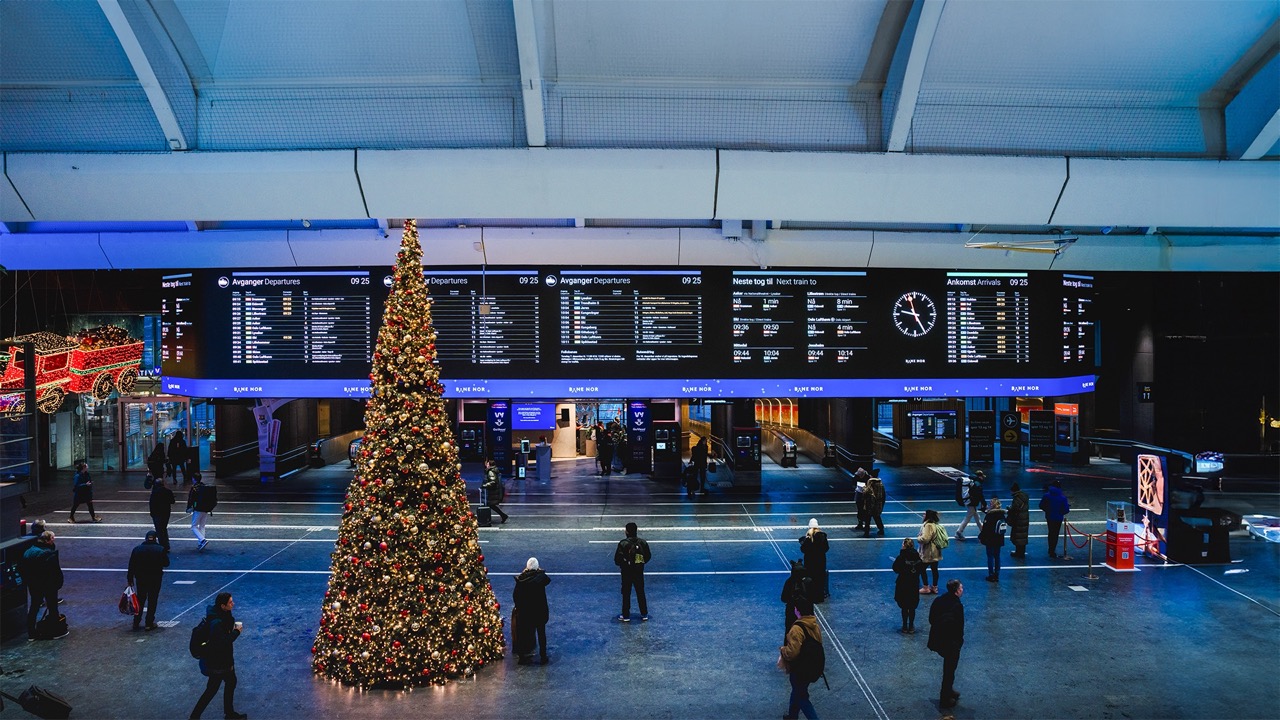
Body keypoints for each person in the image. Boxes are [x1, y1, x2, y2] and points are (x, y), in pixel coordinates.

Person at [189, 592, 246, 720]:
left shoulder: (219, 615)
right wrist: (236, 632)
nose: (233, 604)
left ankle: (228, 713)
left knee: (226, 683)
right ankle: (197, 716)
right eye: (230, 602)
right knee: (213, 689)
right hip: (219, 662)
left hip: (220, 660)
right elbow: (222, 642)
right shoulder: (217, 623)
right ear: (223, 606)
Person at [779, 594, 822, 720]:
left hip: (800, 668)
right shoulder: (814, 625)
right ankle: (792, 716)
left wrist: (783, 650)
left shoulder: (797, 629)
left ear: (797, 610)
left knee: (802, 696)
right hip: (812, 666)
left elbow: (792, 653)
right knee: (798, 691)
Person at [20, 530, 66, 640]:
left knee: (34, 607)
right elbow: (55, 571)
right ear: (48, 540)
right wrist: (57, 584)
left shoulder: (28, 552)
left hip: (34, 584)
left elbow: (22, 568)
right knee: (52, 607)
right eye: (52, 539)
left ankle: (31, 633)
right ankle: (55, 631)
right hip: (48, 585)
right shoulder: (49, 554)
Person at [927, 579, 965, 710]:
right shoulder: (957, 606)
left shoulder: (939, 600)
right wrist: (959, 642)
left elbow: (931, 618)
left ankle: (949, 690)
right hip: (951, 642)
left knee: (948, 669)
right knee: (949, 670)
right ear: (957, 591)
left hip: (938, 639)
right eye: (961, 588)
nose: (962, 590)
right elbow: (960, 627)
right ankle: (945, 698)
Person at [127, 530, 170, 630]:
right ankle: (149, 622)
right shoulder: (160, 549)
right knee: (152, 599)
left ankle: (136, 621)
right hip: (155, 578)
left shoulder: (137, 549)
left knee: (140, 599)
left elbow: (131, 565)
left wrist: (130, 579)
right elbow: (166, 563)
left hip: (141, 578)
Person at [512, 557, 551, 665]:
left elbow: (515, 596)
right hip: (539, 612)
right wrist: (540, 570)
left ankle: (522, 657)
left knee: (522, 635)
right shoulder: (540, 579)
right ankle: (543, 656)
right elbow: (547, 579)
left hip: (525, 613)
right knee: (541, 634)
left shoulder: (521, 580)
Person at [613, 522, 651, 621]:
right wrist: (640, 564)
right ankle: (644, 613)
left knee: (626, 593)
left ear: (627, 531)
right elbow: (648, 556)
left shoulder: (623, 543)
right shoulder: (642, 542)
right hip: (638, 572)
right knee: (640, 592)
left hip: (626, 572)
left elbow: (617, 559)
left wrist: (624, 565)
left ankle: (626, 615)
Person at [892, 538, 922, 633]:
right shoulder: (917, 557)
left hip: (903, 583)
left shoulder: (901, 557)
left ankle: (904, 626)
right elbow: (921, 569)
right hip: (914, 583)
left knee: (904, 606)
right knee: (912, 606)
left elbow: (895, 568)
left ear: (904, 545)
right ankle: (911, 626)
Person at [780, 559, 813, 636]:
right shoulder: (809, 581)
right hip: (807, 613)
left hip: (792, 612)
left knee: (790, 633)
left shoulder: (789, 582)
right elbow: (814, 597)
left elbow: (783, 598)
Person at [799, 519, 829, 602]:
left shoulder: (809, 537)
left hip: (810, 561)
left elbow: (804, 549)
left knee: (811, 578)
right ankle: (819, 597)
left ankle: (811, 596)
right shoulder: (823, 536)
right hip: (821, 561)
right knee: (820, 579)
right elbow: (826, 548)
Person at [916, 509, 945, 594]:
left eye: (924, 514)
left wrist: (919, 538)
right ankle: (935, 587)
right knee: (934, 570)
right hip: (935, 551)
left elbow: (925, 539)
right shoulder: (935, 524)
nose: (923, 515)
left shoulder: (928, 525)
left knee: (921, 569)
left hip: (929, 552)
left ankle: (926, 587)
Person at [978, 498, 1007, 582]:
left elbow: (985, 528)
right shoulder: (1002, 514)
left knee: (990, 556)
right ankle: (997, 574)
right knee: (997, 556)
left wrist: (981, 537)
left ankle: (991, 574)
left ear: (992, 505)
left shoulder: (990, 515)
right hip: (999, 538)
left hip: (990, 539)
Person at [186, 473, 218, 551]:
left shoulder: (194, 488)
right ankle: (201, 542)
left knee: (194, 526)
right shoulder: (204, 486)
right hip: (206, 508)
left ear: (194, 479)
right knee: (202, 526)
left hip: (198, 509)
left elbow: (191, 499)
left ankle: (202, 540)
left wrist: (189, 508)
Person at [1040, 479, 1071, 558]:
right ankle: (1052, 550)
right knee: (1055, 534)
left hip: (1049, 516)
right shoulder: (1062, 497)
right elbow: (1066, 510)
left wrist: (1047, 510)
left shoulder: (1047, 495)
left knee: (1051, 532)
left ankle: (1050, 549)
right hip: (1058, 518)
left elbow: (1041, 505)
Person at [954, 471, 985, 539]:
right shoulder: (977, 484)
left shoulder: (972, 481)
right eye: (982, 476)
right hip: (971, 502)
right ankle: (959, 532)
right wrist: (984, 504)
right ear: (980, 476)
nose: (983, 478)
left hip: (969, 501)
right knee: (968, 517)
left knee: (977, 516)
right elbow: (980, 495)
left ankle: (983, 531)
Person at [150, 475, 176, 551]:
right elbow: (172, 501)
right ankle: (166, 545)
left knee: (159, 530)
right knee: (164, 528)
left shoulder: (154, 493)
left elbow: (151, 504)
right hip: (166, 513)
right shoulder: (168, 491)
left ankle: (162, 545)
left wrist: (152, 513)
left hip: (157, 513)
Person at [1007, 482, 1031, 559]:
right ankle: (1022, 552)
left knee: (1018, 536)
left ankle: (1018, 552)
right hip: (1024, 518)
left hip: (1018, 519)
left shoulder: (1017, 498)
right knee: (1022, 536)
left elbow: (1015, 509)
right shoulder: (1024, 496)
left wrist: (1009, 509)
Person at [481, 459, 509, 523]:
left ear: (490, 464)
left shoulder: (491, 471)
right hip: (493, 491)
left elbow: (493, 481)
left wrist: (485, 485)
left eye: (487, 464)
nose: (486, 465)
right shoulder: (493, 470)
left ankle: (489, 519)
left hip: (492, 492)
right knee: (490, 505)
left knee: (489, 504)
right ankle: (502, 516)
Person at [864, 470, 886, 537]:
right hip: (878, 504)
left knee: (867, 519)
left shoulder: (870, 483)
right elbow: (883, 495)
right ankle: (881, 529)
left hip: (870, 503)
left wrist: (863, 489)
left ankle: (866, 532)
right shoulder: (881, 484)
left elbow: (866, 492)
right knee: (877, 517)